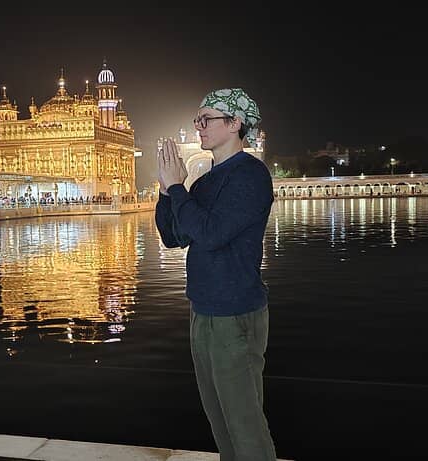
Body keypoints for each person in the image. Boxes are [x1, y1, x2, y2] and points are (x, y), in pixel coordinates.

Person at [155, 88, 276, 460]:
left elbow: (210, 234)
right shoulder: (206, 181)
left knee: (244, 422)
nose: (199, 126)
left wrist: (178, 187)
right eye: (198, 120)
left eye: (207, 119)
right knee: (219, 419)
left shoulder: (250, 176)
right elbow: (173, 236)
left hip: (234, 314)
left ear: (235, 123)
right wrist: (165, 191)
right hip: (203, 310)